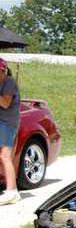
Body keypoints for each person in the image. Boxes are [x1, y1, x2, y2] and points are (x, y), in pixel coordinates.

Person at [0, 57, 21, 206]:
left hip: (8, 123)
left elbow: (5, 103)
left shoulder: (9, 82)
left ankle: (12, 192)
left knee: (5, 156)